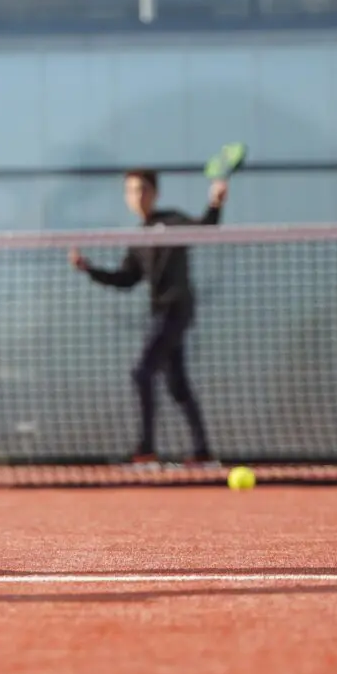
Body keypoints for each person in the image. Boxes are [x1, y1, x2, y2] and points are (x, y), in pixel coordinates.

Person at [70, 170, 228, 464]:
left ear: (155, 193)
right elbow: (127, 279)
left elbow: (205, 227)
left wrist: (215, 203)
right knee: (176, 385)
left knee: (142, 373)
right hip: (160, 312)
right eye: (130, 191)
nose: (136, 196)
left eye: (142, 189)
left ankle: (145, 450)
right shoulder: (138, 238)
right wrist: (88, 269)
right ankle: (203, 451)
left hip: (175, 310)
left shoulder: (171, 221)